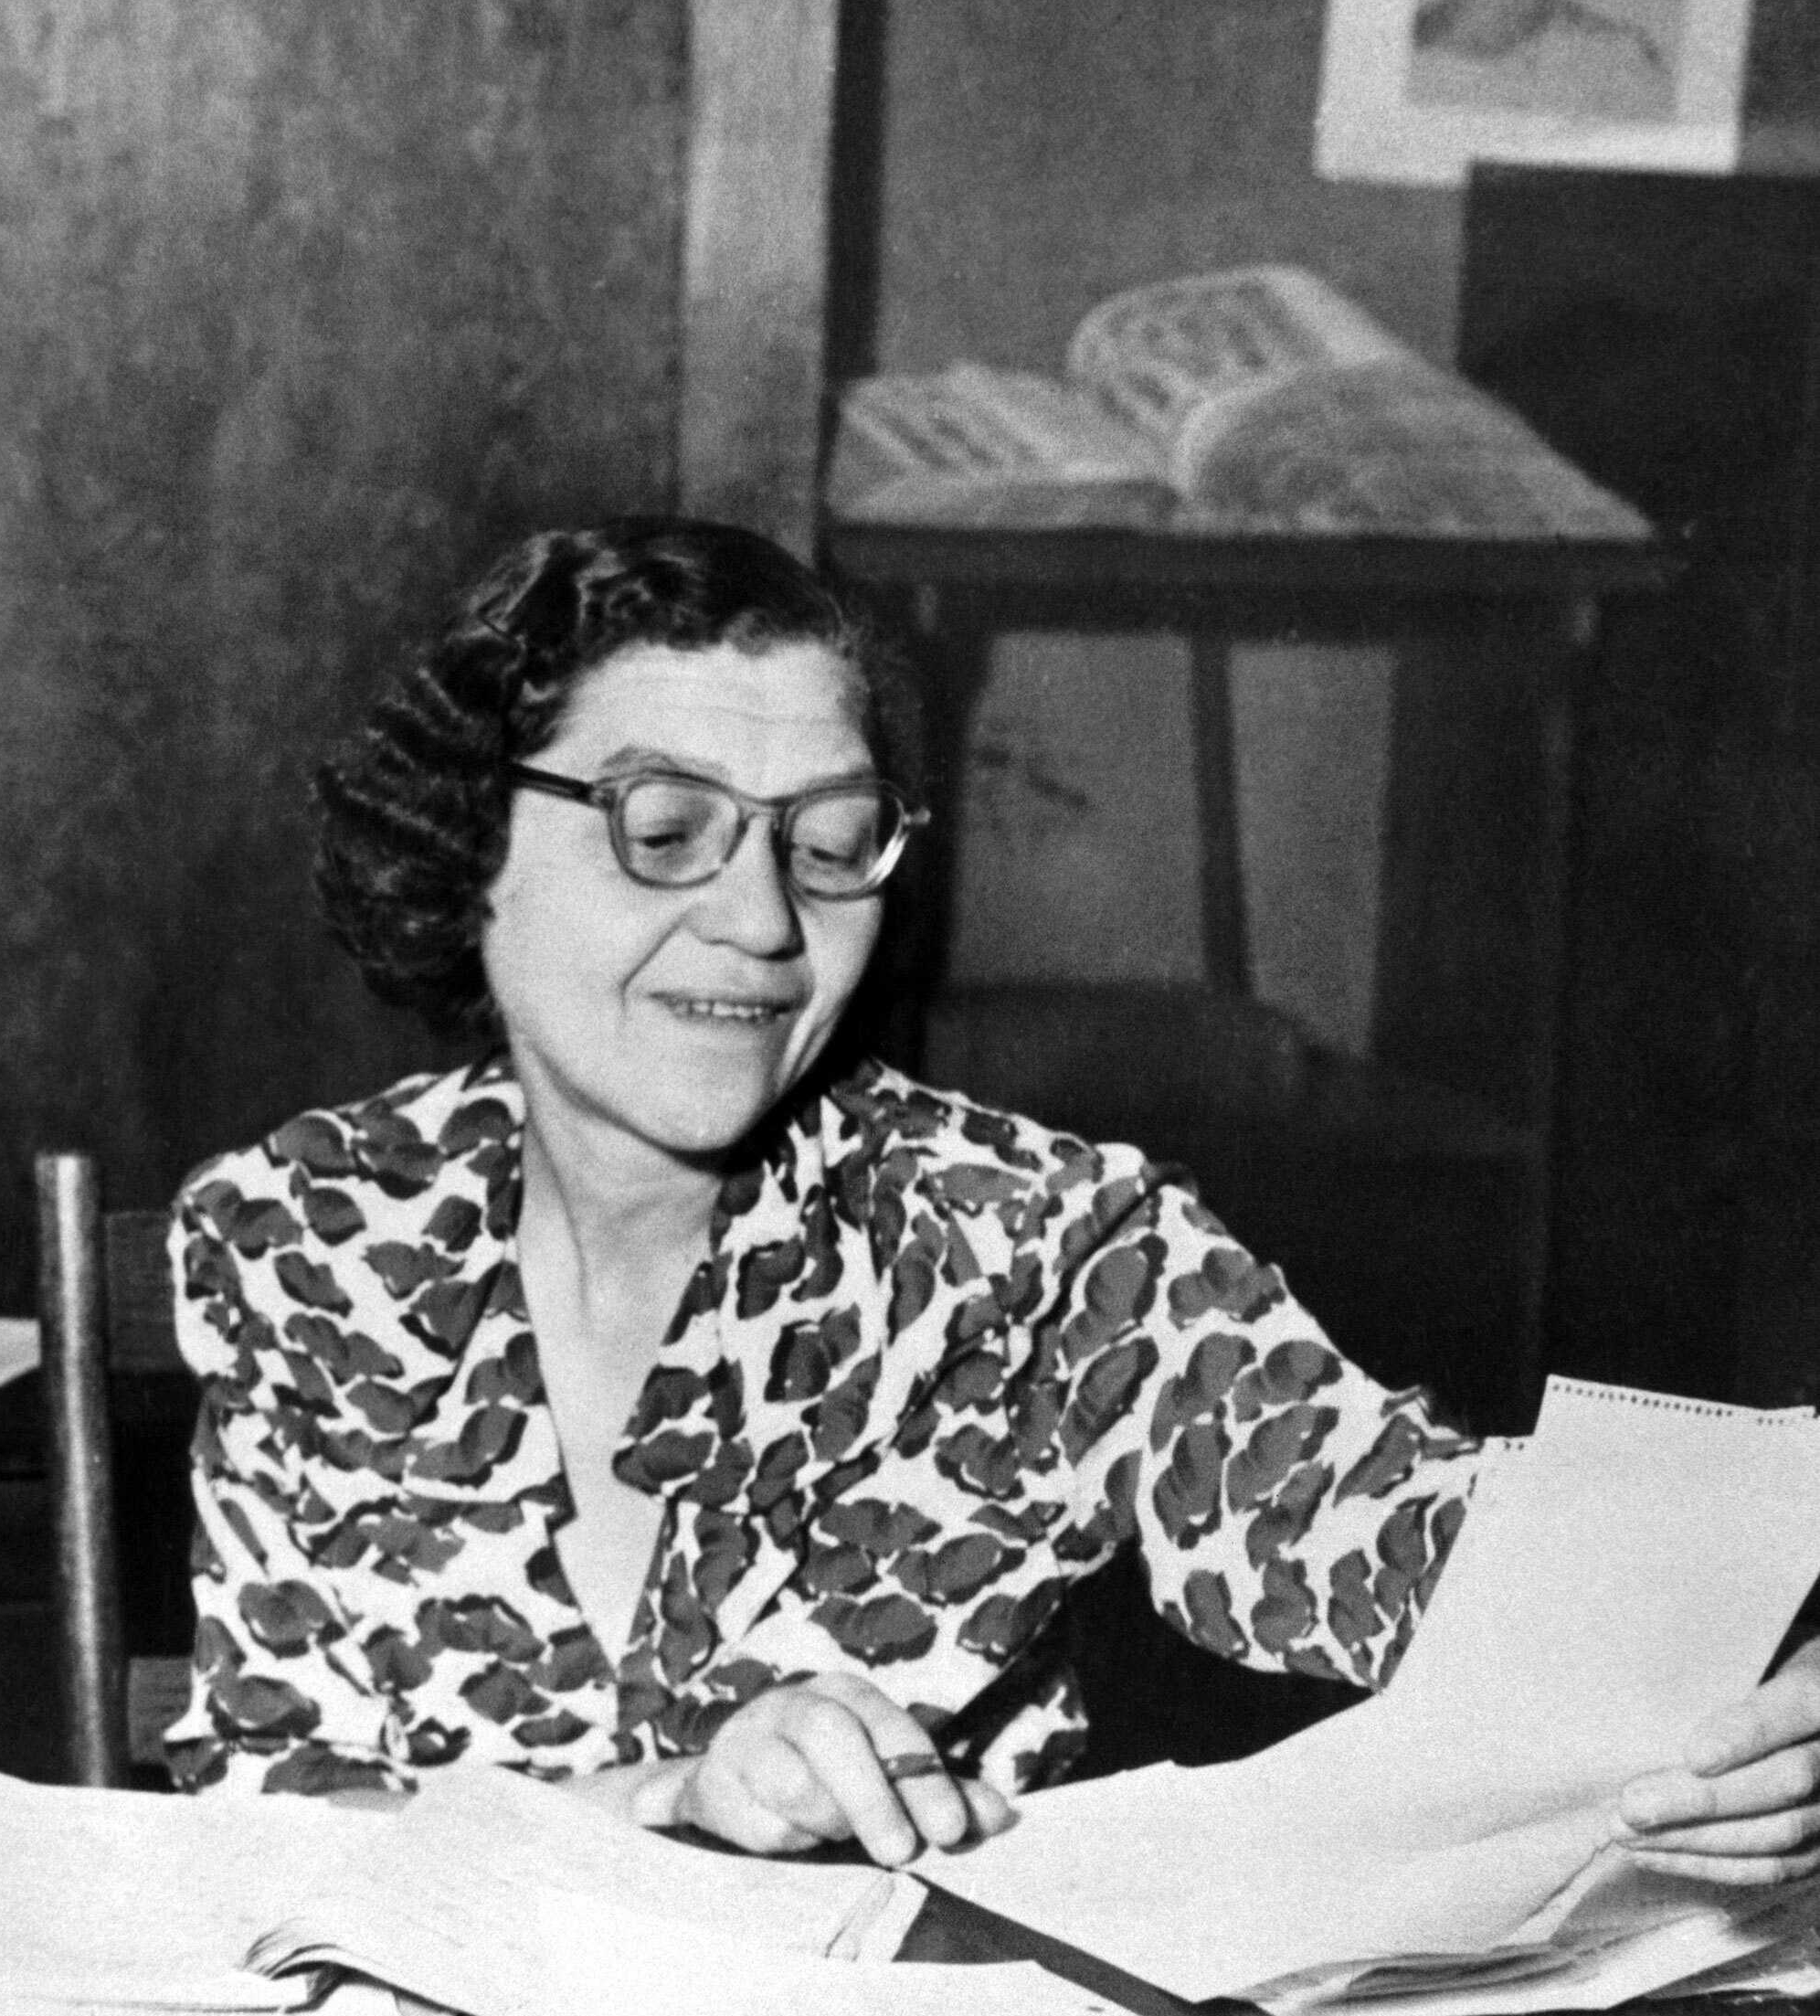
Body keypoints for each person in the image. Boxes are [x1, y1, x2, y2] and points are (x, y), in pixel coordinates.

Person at [167, 516, 1820, 1878]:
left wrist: (1769, 1673)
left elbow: (1413, 1537)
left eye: (828, 842)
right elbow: (262, 1830)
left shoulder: (1042, 1258)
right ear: (471, 851)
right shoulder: (305, 1236)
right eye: (663, 829)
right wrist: (661, 1801)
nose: (758, 920)